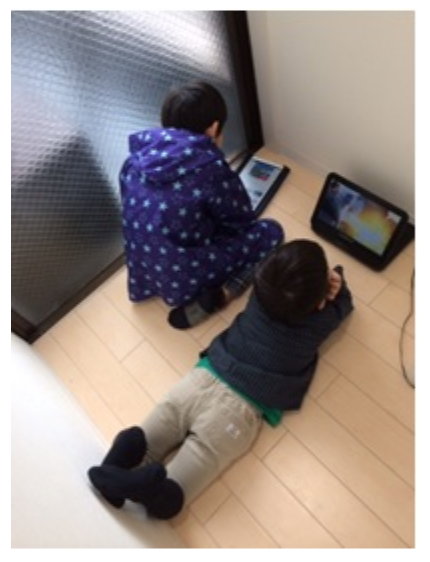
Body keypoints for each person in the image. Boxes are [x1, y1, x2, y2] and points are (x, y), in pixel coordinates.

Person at [88, 239, 353, 520]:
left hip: (203, 376)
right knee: (181, 482)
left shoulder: (259, 295)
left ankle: (113, 466)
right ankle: (149, 490)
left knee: (150, 435)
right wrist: (337, 279)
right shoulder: (319, 322)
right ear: (319, 302)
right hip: (239, 410)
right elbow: (344, 304)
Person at [119, 80, 284, 329]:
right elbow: (240, 221)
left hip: (143, 269)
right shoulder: (210, 168)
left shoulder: (135, 159)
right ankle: (224, 293)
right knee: (271, 232)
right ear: (213, 129)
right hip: (182, 276)